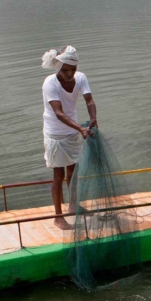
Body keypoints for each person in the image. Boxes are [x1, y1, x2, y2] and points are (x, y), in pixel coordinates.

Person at [41, 46, 97, 227]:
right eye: (65, 70)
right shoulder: (50, 83)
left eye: (73, 69)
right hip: (55, 133)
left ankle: (73, 206)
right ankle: (58, 217)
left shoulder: (80, 78)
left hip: (72, 130)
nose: (70, 73)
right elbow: (58, 112)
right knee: (58, 174)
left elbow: (89, 99)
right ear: (58, 67)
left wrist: (93, 118)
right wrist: (81, 129)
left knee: (73, 171)